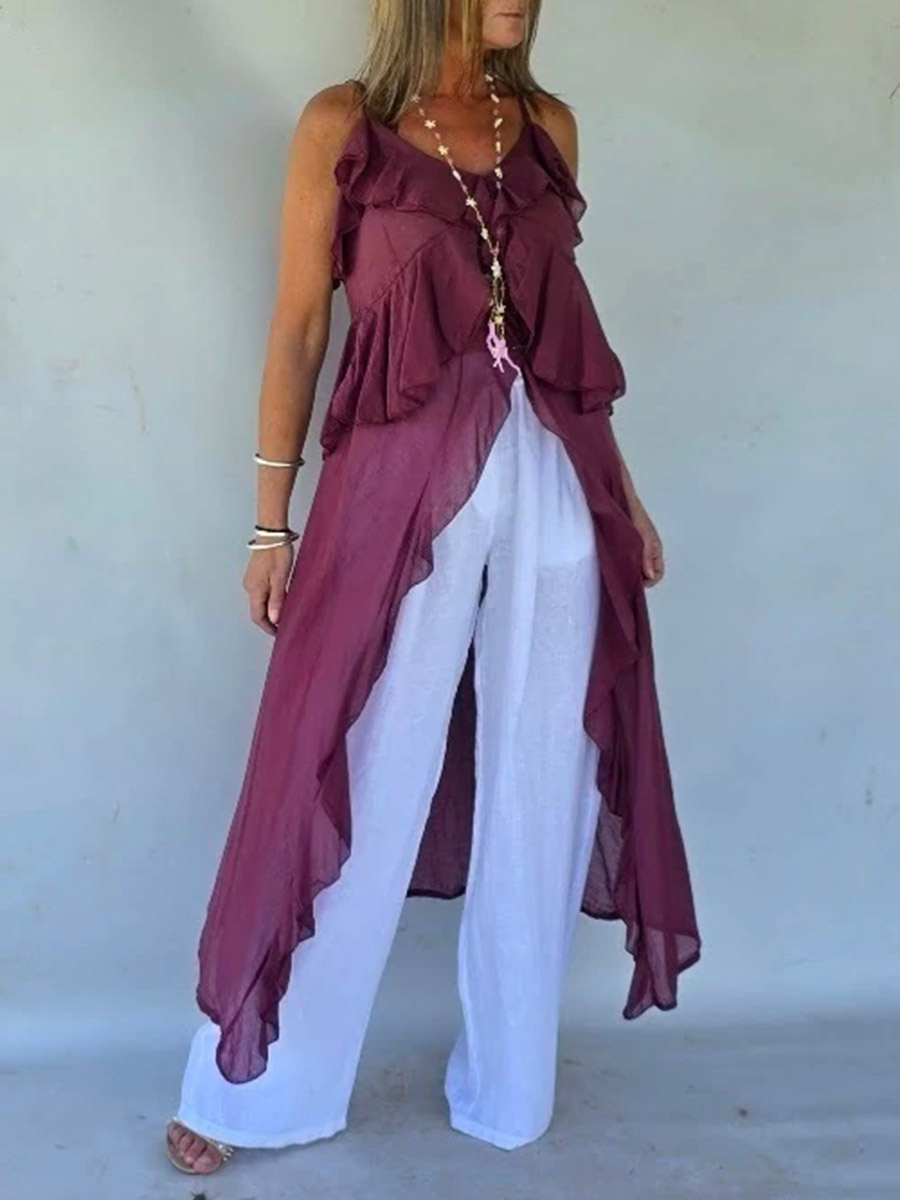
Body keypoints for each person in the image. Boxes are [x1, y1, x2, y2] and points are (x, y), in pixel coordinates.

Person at [164, 0, 700, 1176]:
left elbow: (563, 341)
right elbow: (300, 330)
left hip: (555, 487)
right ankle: (258, 1086)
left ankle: (510, 1083)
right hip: (399, 489)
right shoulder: (343, 126)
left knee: (545, 772)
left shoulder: (548, 125)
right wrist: (269, 522)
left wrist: (625, 496)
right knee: (357, 760)